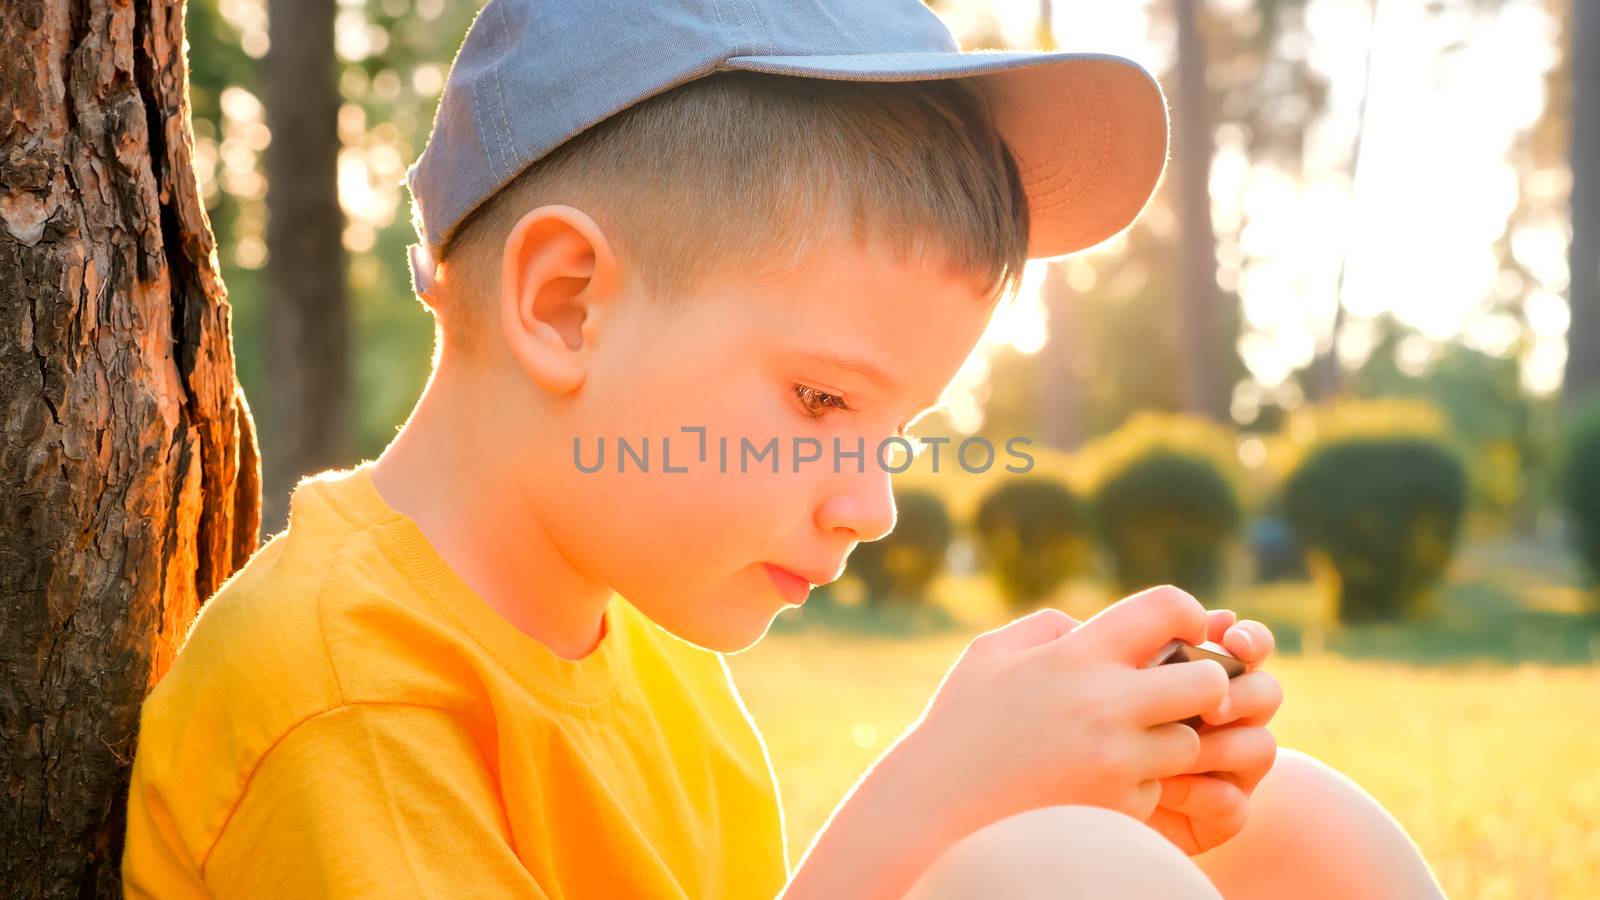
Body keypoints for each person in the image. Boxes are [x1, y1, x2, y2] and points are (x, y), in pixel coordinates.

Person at [121, 0, 1447, 896]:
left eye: (899, 433)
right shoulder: (339, 692)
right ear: (566, 303)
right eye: (822, 403)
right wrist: (936, 799)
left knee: (1283, 825)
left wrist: (1076, 781)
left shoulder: (658, 673)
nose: (874, 504)